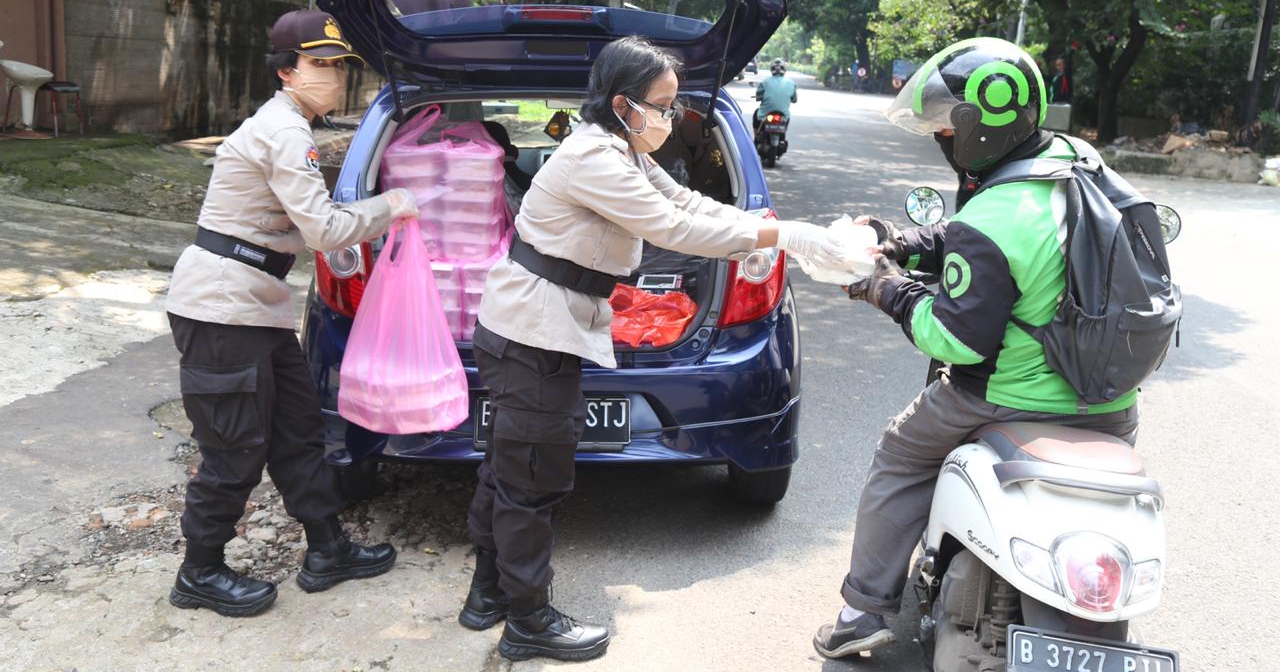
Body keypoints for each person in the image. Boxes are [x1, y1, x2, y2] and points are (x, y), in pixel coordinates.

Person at [459, 35, 848, 662]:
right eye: (662, 106)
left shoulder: (622, 150)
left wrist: (772, 233)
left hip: (541, 323)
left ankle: (488, 593)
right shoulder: (593, 158)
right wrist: (791, 235)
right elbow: (675, 229)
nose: (670, 119)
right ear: (623, 104)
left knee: (511, 462)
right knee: (533, 475)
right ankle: (527, 617)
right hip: (532, 330)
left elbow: (687, 201)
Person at [812, 38, 1140, 659]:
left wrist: (885, 287)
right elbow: (996, 249)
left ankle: (862, 612)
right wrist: (900, 239)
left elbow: (956, 339)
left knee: (899, 456)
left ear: (976, 126)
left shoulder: (993, 214)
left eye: (946, 121)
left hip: (1002, 396)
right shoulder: (1078, 165)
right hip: (1111, 399)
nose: (939, 131)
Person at [164, 10, 420, 617]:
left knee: (299, 430)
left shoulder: (291, 127)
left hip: (258, 302)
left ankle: (327, 548)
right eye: (319, 65)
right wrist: (393, 204)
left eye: (338, 66)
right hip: (224, 308)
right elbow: (327, 230)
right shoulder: (282, 131)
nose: (332, 76)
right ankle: (198, 571)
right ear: (286, 72)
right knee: (234, 446)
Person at [753, 58, 798, 130]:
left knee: (756, 114)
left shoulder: (765, 82)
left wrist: (759, 97)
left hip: (765, 113)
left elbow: (759, 95)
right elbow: (794, 99)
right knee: (787, 117)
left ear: (772, 69)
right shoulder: (791, 83)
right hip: (784, 115)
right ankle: (783, 135)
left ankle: (756, 137)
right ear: (784, 69)